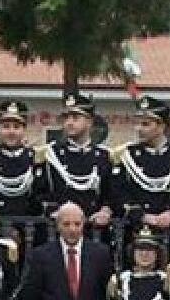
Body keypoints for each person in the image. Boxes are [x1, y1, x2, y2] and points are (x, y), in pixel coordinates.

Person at [109, 96, 170, 233]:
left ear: (161, 126)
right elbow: (118, 193)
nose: (139, 129)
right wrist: (142, 216)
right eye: (137, 124)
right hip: (136, 228)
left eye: (146, 124)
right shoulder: (126, 155)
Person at [38, 93, 115, 225]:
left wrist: (105, 211)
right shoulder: (51, 154)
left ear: (89, 122)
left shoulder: (103, 156)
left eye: (75, 118)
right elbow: (40, 194)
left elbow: (110, 195)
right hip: (60, 228)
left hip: (94, 229)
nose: (69, 123)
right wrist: (54, 210)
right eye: (66, 118)